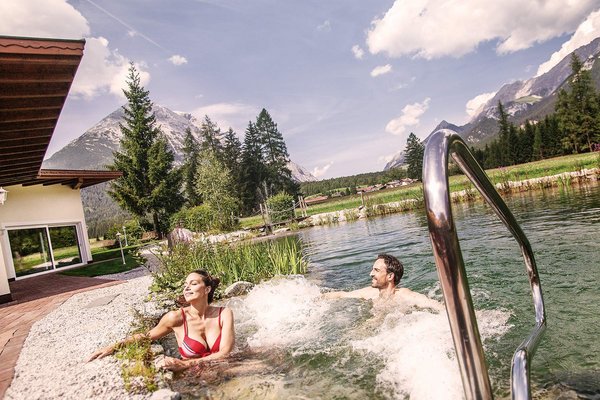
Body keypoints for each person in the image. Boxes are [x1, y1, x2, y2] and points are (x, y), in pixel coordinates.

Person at [88, 270, 234, 372]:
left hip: (225, 369)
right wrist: (114, 347)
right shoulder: (175, 318)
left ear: (207, 289)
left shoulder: (224, 314)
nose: (186, 288)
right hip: (196, 377)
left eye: (193, 284)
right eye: (185, 285)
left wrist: (186, 364)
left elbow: (225, 352)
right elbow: (147, 336)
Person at [324, 254, 443, 310]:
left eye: (376, 270)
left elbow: (434, 305)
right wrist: (315, 298)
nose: (370, 274)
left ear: (390, 276)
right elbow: (342, 294)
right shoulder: (370, 293)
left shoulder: (403, 294)